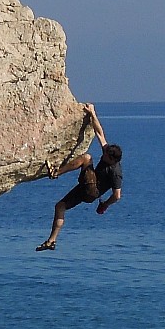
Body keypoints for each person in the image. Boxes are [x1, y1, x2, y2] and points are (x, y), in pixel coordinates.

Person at [36, 103, 122, 250]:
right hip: (86, 189)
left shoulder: (115, 172)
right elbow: (100, 133)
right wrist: (92, 113)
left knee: (86, 158)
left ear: (113, 160)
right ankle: (51, 241)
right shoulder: (108, 153)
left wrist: (104, 205)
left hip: (92, 191)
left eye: (106, 156)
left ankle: (56, 172)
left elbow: (117, 195)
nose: (103, 155)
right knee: (60, 206)